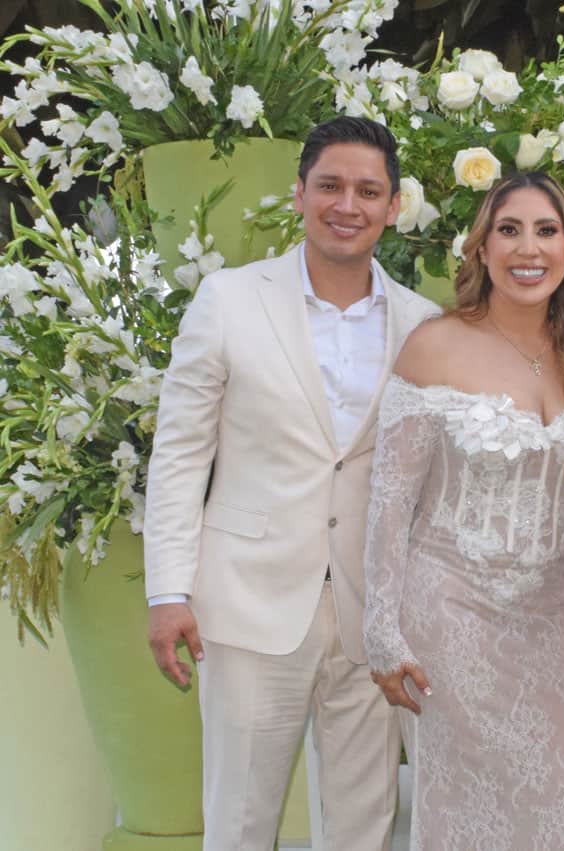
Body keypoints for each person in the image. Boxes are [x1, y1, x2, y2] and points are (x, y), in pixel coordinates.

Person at [143, 117, 441, 850]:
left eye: (368, 191)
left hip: (374, 610)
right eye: (331, 185)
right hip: (247, 601)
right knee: (240, 820)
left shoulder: (424, 323)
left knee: (364, 824)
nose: (348, 205)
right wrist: (167, 591)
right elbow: (180, 454)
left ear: (393, 206)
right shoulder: (228, 299)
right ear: (300, 193)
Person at [361, 171, 564, 850]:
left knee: (563, 806)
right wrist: (381, 627)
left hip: (560, 622)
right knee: (466, 813)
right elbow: (391, 499)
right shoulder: (434, 344)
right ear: (480, 247)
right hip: (452, 612)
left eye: (546, 230)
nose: (528, 249)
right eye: (509, 230)